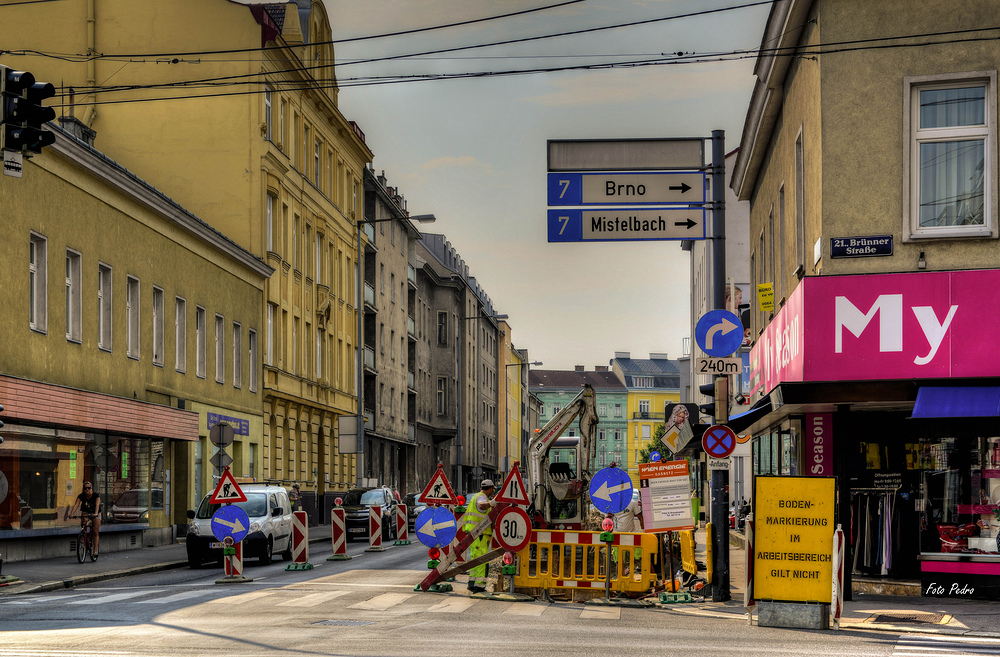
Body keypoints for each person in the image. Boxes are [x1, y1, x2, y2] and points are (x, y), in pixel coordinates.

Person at [463, 479, 496, 594]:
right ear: (491, 489)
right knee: (482, 560)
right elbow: (481, 506)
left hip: (473, 534)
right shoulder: (482, 497)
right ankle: (479, 586)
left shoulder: (475, 496)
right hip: (479, 534)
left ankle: (472, 583)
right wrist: (491, 504)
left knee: (475, 559)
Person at [69, 481, 101, 556]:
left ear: (91, 489)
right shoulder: (81, 496)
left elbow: (97, 505)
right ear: (83, 489)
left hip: (95, 512)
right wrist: (71, 514)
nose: (87, 490)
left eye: (89, 488)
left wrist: (95, 513)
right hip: (86, 511)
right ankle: (83, 537)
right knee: (84, 524)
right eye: (85, 488)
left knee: (95, 531)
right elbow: (76, 505)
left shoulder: (96, 495)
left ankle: (95, 551)